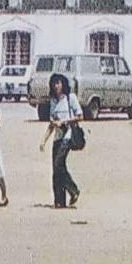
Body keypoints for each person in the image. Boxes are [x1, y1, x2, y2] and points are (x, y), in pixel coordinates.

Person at [39, 72, 82, 209]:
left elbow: (80, 116)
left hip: (68, 135)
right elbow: (52, 123)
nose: (56, 86)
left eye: (58, 83)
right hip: (57, 137)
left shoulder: (70, 98)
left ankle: (73, 190)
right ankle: (59, 200)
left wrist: (64, 122)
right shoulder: (53, 101)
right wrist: (44, 140)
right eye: (54, 83)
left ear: (63, 84)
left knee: (59, 164)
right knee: (56, 168)